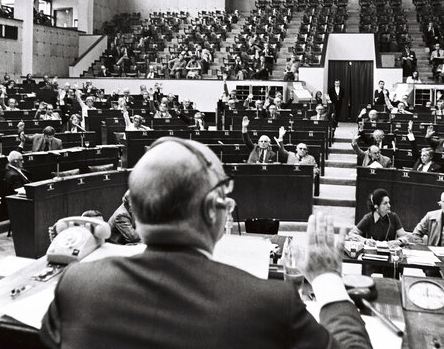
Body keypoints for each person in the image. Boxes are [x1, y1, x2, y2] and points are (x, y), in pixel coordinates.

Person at [41, 137, 372, 349]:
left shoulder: (78, 283)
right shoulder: (271, 304)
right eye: (224, 197)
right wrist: (328, 279)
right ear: (214, 213)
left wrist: (83, 250)